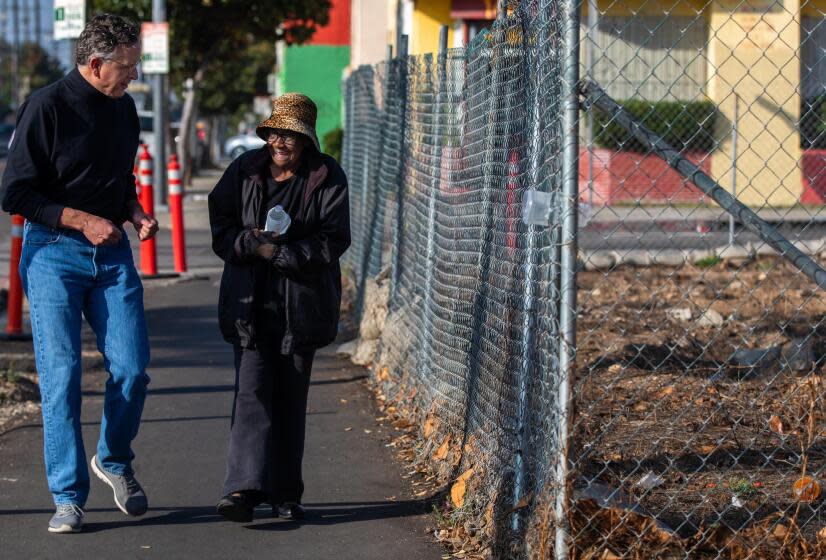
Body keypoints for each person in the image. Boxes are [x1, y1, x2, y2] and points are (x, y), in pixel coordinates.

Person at [0, 13, 158, 533]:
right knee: (63, 375)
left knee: (133, 368)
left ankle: (113, 459)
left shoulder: (125, 109)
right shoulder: (46, 107)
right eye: (128, 66)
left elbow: (118, 178)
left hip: (111, 252)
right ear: (95, 64)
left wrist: (133, 211)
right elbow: (15, 193)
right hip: (52, 254)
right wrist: (81, 219)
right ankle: (68, 496)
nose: (133, 75)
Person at [208, 93, 350, 522]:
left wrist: (286, 255)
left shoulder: (326, 176)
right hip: (249, 302)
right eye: (275, 133)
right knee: (250, 394)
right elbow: (222, 226)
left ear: (305, 140)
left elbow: (334, 238)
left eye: (290, 135)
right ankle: (241, 491)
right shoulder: (244, 171)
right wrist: (249, 244)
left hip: (300, 305)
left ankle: (286, 494)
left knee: (290, 397)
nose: (280, 142)